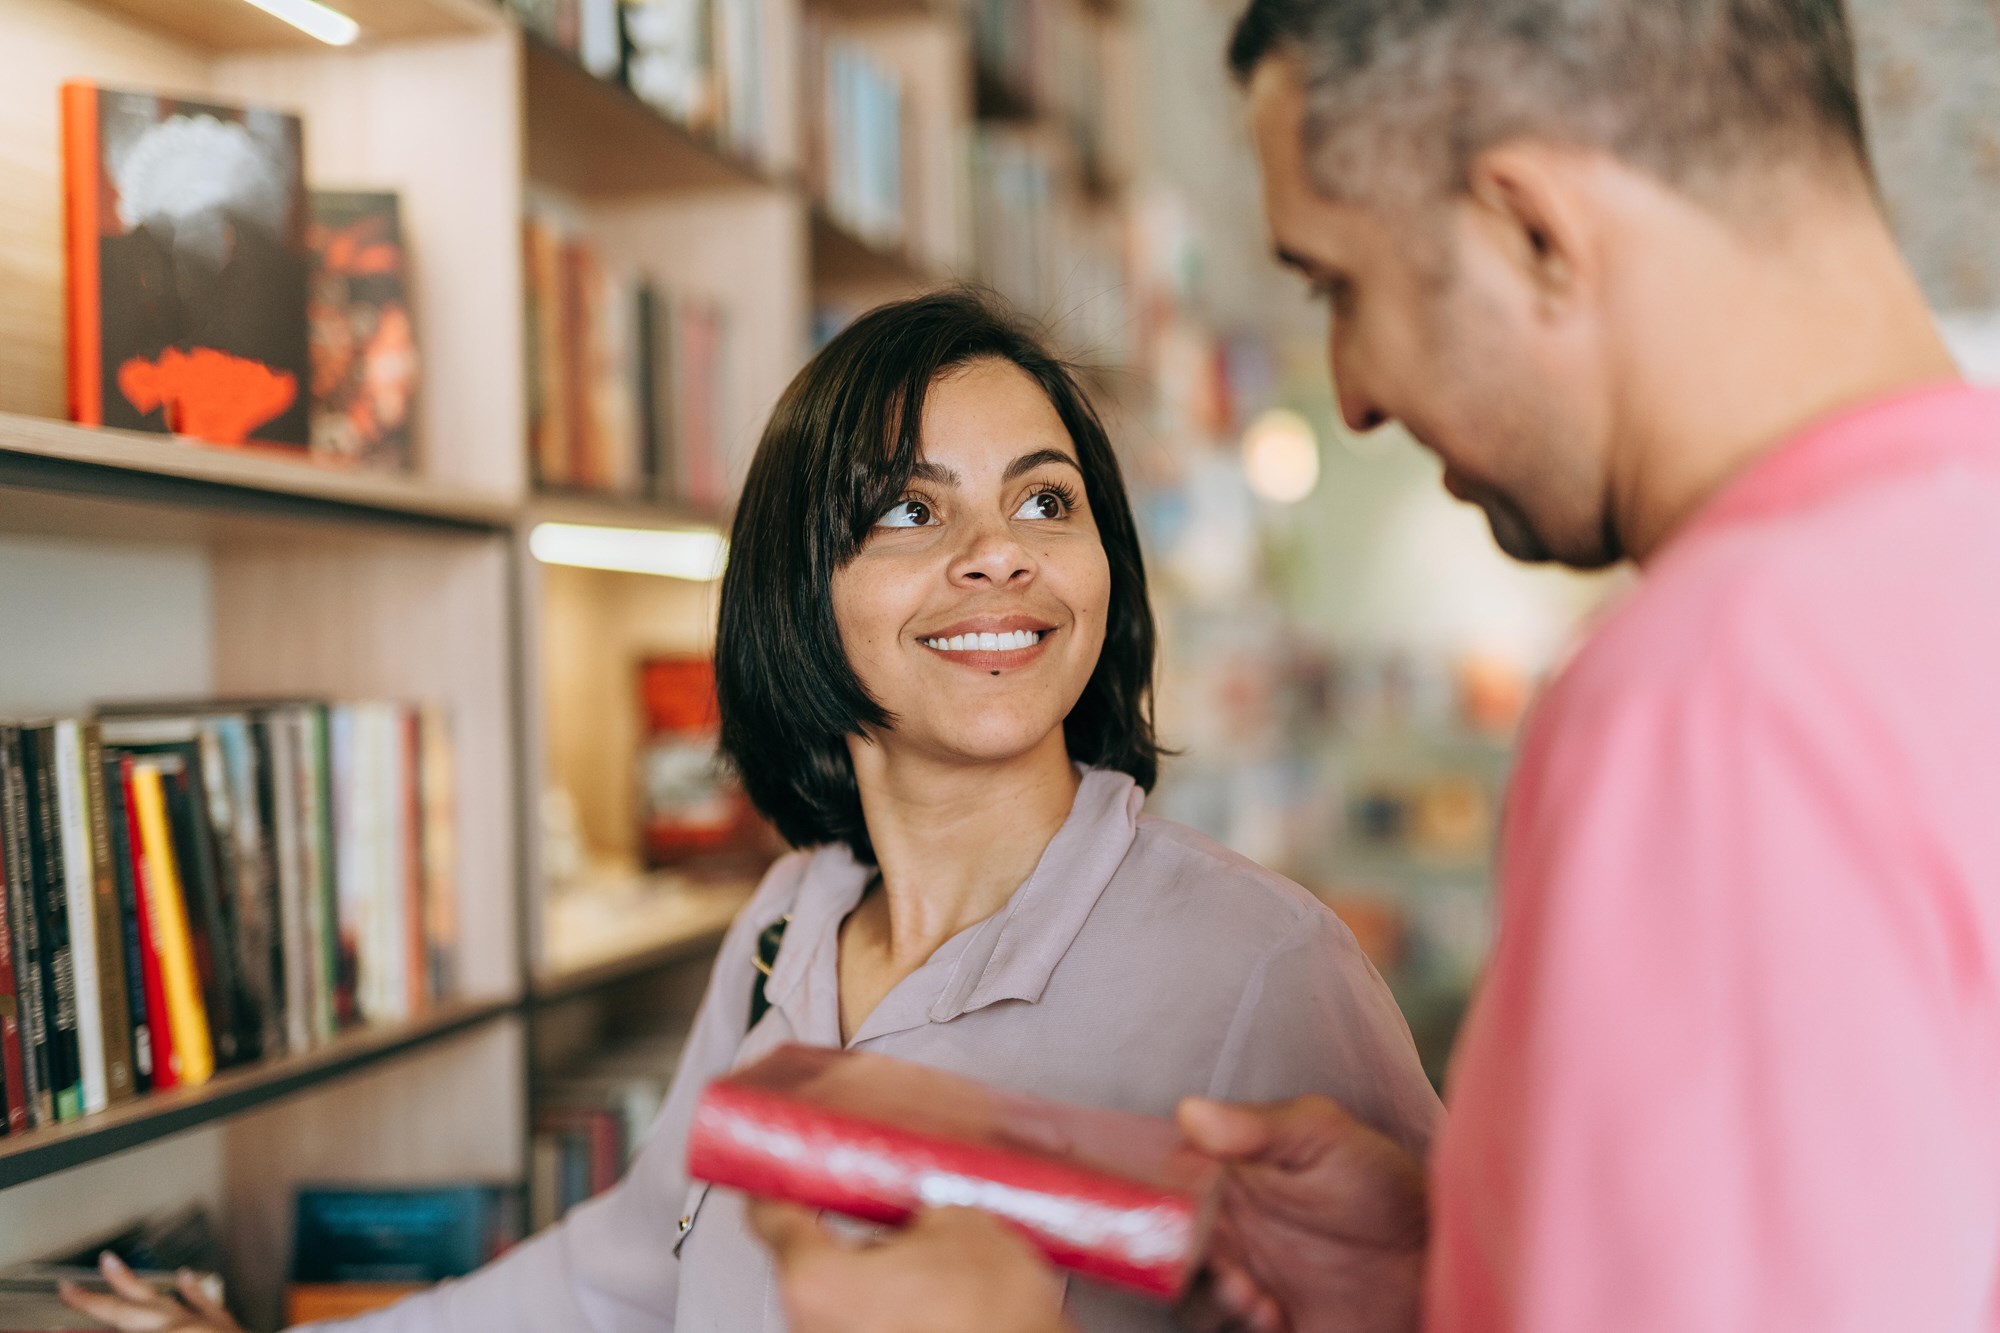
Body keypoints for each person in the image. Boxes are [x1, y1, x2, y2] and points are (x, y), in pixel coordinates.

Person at [742, 2, 2000, 1332]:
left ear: (1532, 229)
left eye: (1341, 283)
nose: (1351, 392)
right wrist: (1437, 1274)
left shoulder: (1714, 695)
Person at [62, 291, 1439, 1333]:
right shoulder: (792, 923)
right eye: (910, 507)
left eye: (1045, 496)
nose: (1001, 550)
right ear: (800, 588)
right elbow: (625, 1264)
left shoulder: (1264, 966)